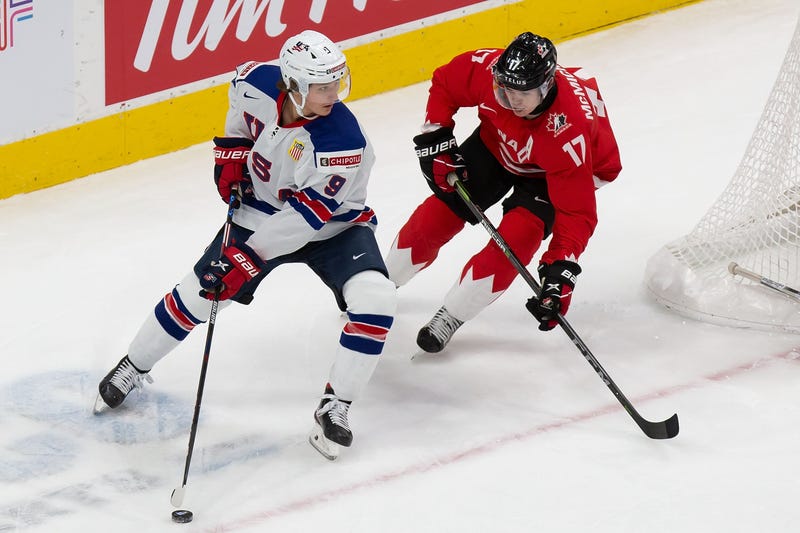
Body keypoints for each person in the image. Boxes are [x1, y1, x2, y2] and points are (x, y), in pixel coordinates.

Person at [95, 30, 397, 460]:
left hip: (333, 227)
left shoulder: (343, 141)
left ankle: (337, 405)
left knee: (377, 300)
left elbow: (306, 218)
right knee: (199, 294)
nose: (333, 94)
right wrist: (234, 152)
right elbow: (238, 108)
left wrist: (248, 256)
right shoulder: (254, 82)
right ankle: (133, 365)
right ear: (292, 83)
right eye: (321, 86)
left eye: (336, 83)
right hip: (259, 211)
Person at [384, 31, 621, 353]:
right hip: (497, 144)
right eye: (505, 90)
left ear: (546, 86)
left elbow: (576, 212)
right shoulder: (490, 70)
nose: (512, 100)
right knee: (437, 215)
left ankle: (452, 315)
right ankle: (379, 285)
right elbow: (445, 83)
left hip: (550, 174)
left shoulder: (568, 134)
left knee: (517, 240)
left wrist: (560, 268)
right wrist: (435, 136)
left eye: (522, 93)